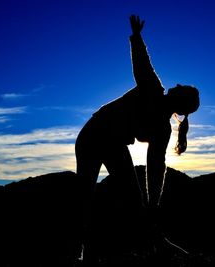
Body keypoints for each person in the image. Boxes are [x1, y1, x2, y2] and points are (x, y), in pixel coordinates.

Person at [75, 15, 200, 263]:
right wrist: (136, 37)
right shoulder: (153, 89)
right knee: (85, 195)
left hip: (113, 143)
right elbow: (142, 65)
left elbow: (156, 167)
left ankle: (131, 248)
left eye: (180, 87)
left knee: (133, 201)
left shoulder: (159, 116)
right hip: (93, 135)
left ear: (180, 102)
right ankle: (78, 251)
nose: (175, 84)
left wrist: (153, 204)